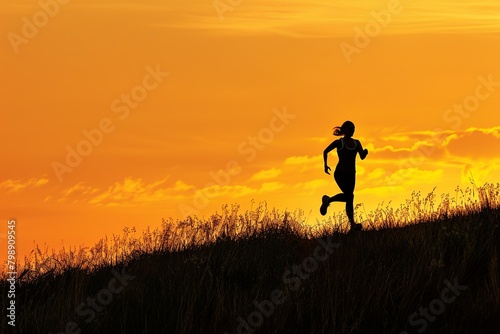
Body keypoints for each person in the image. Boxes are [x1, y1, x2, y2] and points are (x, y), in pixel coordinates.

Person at [320, 121, 368, 231]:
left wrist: (365, 152)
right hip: (340, 173)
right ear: (344, 130)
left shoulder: (357, 143)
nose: (352, 130)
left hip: (352, 174)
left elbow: (362, 156)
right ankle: (353, 225)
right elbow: (325, 151)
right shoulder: (339, 142)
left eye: (354, 128)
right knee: (349, 196)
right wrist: (325, 165)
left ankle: (328, 200)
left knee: (349, 197)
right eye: (350, 128)